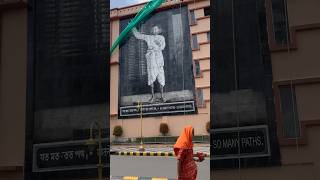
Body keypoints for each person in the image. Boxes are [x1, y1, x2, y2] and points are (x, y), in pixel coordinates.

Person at [132, 26, 166, 102]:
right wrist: (132, 27)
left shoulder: (161, 38)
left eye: (156, 29)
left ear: (158, 30)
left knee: (161, 77)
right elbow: (138, 36)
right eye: (153, 29)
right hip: (151, 59)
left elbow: (163, 46)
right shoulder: (148, 37)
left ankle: (162, 96)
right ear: (151, 30)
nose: (155, 30)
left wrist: (158, 46)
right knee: (151, 77)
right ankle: (152, 96)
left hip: (159, 59)